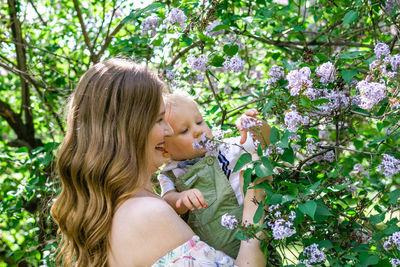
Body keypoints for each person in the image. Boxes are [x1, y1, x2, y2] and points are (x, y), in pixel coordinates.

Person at [51, 57, 266, 267]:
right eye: (159, 120)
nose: (169, 130)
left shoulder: (112, 209)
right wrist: (255, 201)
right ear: (130, 130)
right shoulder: (146, 214)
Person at [158, 91, 271, 258]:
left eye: (199, 122)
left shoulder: (225, 150)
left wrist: (257, 126)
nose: (198, 131)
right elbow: (167, 201)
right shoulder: (169, 174)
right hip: (216, 256)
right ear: (165, 150)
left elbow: (265, 143)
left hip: (252, 239)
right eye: (184, 130)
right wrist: (181, 197)